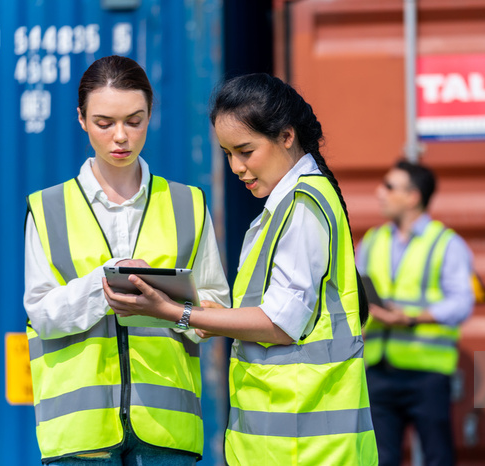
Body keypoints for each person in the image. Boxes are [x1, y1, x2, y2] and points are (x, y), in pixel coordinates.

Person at [103, 73, 378, 465]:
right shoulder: (290, 205)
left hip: (306, 447)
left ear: (286, 136)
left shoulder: (301, 207)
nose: (235, 166)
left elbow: (281, 325)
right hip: (289, 443)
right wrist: (215, 317)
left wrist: (174, 312)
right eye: (227, 153)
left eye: (245, 151)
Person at [24, 55, 231, 465]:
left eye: (134, 121)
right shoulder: (47, 208)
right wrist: (107, 283)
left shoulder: (188, 204)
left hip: (167, 431)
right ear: (81, 119)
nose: (121, 136)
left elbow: (217, 307)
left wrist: (170, 308)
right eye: (105, 123)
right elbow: (41, 313)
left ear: (150, 115)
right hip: (79, 435)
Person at [356, 160, 475, 466]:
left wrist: (410, 318)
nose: (378, 192)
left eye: (389, 187)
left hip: (427, 374)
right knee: (379, 459)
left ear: (413, 197)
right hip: (379, 369)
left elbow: (462, 301)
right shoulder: (372, 241)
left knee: (437, 457)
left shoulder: (446, 244)